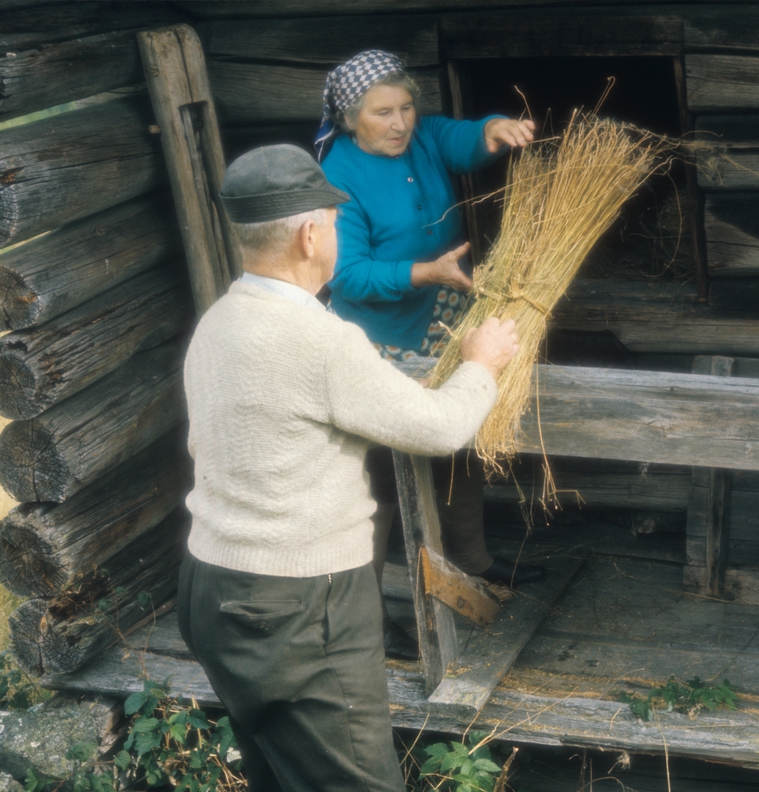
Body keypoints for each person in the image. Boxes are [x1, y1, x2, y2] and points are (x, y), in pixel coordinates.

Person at [177, 144, 519, 792]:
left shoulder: (218, 322)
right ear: (311, 235)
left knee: (280, 775)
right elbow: (441, 428)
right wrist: (481, 362)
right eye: (334, 222)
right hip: (299, 609)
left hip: (209, 589)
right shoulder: (322, 341)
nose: (336, 232)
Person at [315, 50, 543, 660]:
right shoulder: (338, 177)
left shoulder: (420, 137)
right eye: (382, 113)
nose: (400, 123)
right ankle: (361, 618)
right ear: (348, 118)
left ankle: (471, 563)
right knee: (384, 480)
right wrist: (425, 271)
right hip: (376, 338)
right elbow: (349, 277)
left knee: (459, 438)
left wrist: (493, 130)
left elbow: (457, 138)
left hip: (439, 317)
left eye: (406, 106)